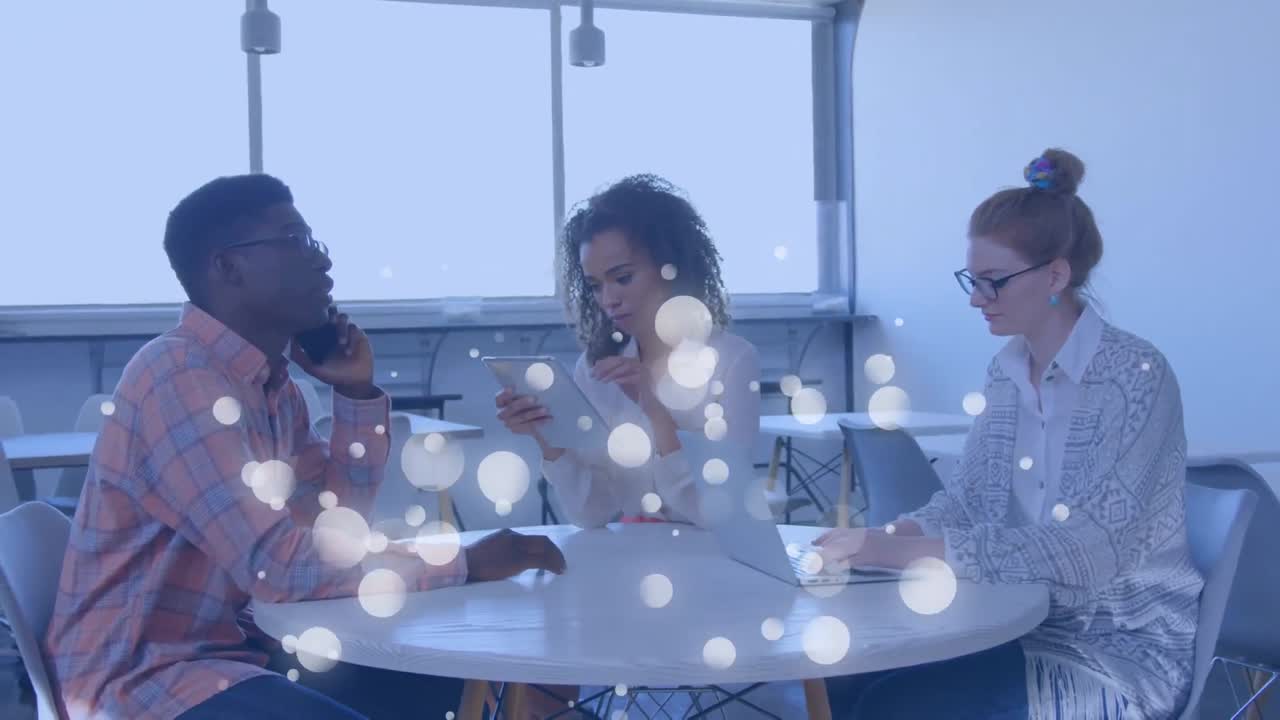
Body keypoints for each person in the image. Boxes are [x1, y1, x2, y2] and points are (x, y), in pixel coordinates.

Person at [44, 174, 566, 720]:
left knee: (441, 689)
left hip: (241, 653)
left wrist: (355, 395)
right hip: (147, 678)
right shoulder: (177, 376)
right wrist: (464, 561)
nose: (323, 263)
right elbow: (279, 568)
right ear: (227, 267)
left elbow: (334, 538)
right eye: (295, 242)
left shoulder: (272, 387)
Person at [817, 149, 1202, 719]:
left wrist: (900, 553)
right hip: (1008, 623)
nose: (976, 299)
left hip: (1116, 651)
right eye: (972, 281)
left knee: (895, 707)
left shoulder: (1134, 377)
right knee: (843, 678)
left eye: (993, 282)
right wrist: (888, 533)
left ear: (1055, 275)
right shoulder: (1006, 373)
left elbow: (1087, 553)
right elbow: (967, 501)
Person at [496, 174, 761, 529]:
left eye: (622, 278)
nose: (608, 300)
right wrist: (548, 438)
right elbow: (591, 513)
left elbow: (724, 515)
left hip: (711, 561)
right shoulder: (596, 370)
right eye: (595, 285)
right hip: (629, 561)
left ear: (671, 268)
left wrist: (655, 410)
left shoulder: (732, 363)